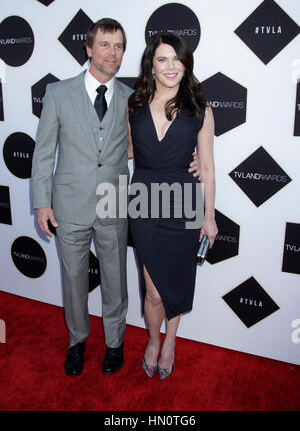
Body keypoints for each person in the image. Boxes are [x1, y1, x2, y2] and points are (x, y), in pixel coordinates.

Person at [32, 19, 200, 378]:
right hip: (69, 206)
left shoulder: (133, 98)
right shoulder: (58, 93)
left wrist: (193, 157)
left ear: (126, 53)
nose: (112, 53)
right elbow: (44, 153)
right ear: (89, 48)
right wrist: (42, 202)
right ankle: (77, 342)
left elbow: (141, 147)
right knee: (73, 280)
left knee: (116, 282)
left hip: (117, 202)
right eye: (105, 45)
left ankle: (115, 343)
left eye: (119, 46)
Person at [127, 32, 218, 380]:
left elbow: (207, 166)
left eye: (177, 59)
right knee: (153, 290)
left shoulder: (200, 109)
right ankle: (153, 339)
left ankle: (170, 342)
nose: (170, 66)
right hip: (145, 200)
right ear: (151, 63)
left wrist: (208, 216)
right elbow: (131, 150)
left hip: (184, 201)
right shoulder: (134, 104)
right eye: (163, 59)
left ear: (185, 65)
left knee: (176, 283)